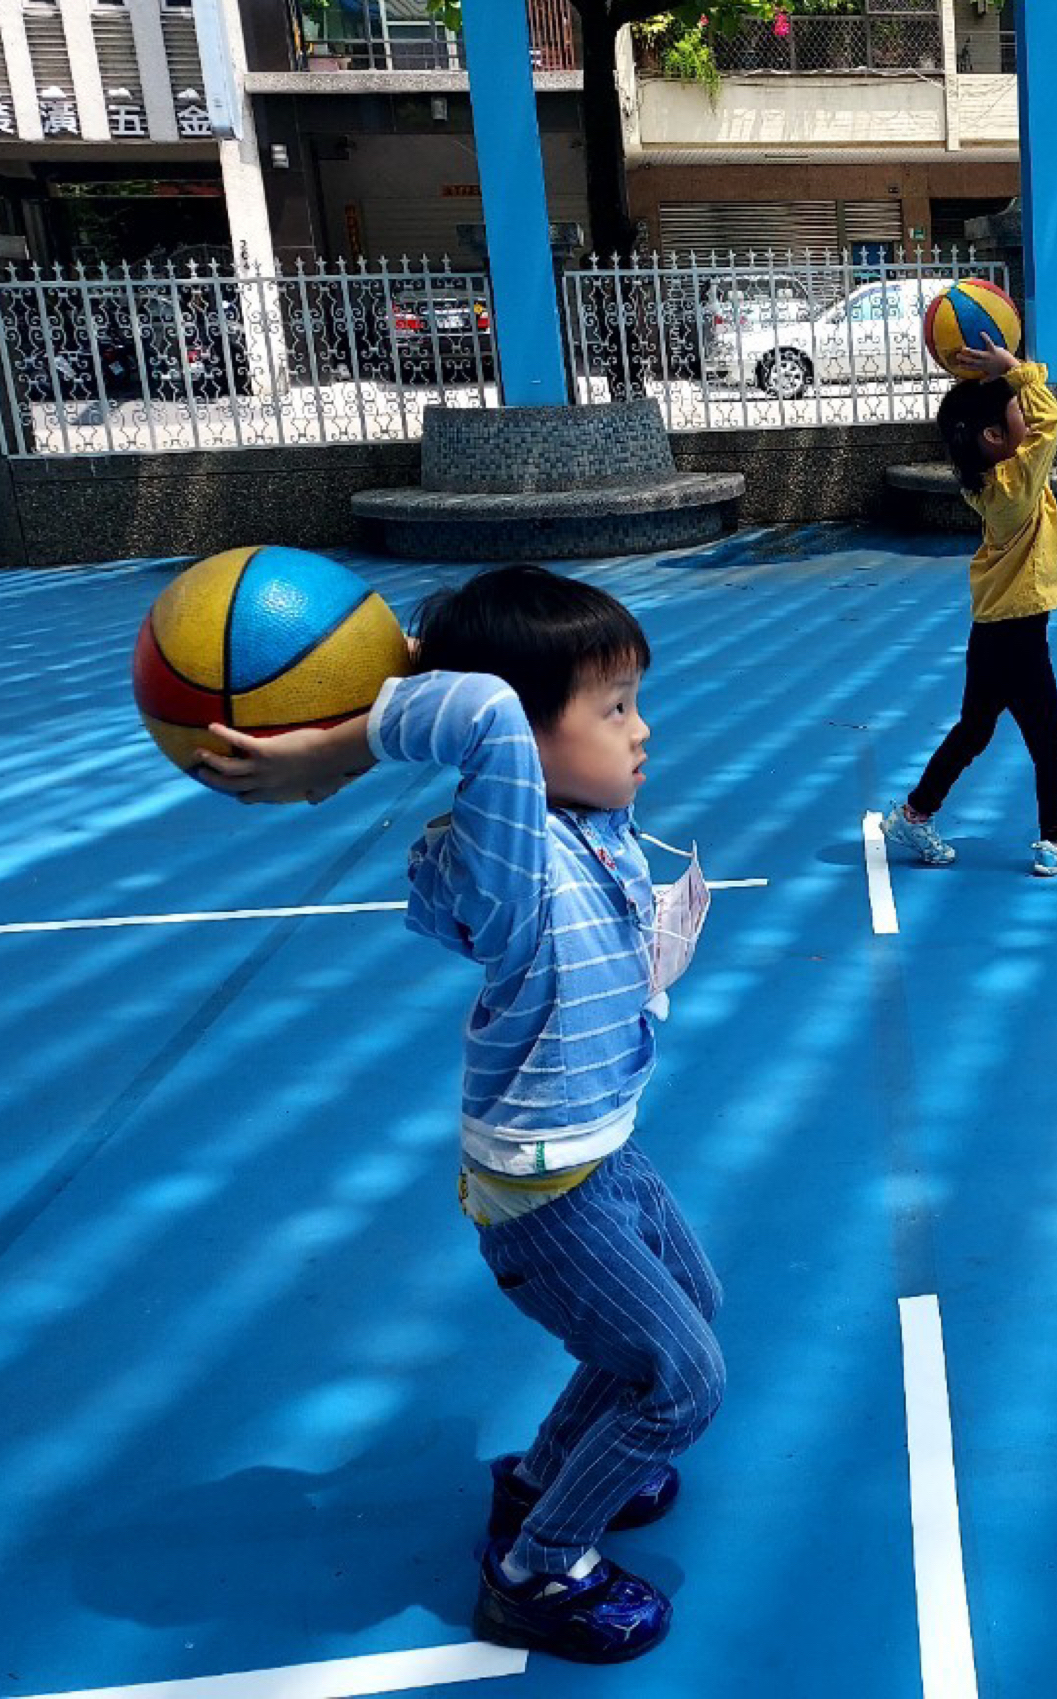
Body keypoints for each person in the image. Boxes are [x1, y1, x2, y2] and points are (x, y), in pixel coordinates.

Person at [195, 565, 720, 1667]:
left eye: (635, 699)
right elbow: (480, 708)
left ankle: (544, 1477)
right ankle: (538, 1571)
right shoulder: (511, 871)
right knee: (681, 1385)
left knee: (693, 1307)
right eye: (613, 707)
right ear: (525, 748)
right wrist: (339, 747)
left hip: (602, 1153)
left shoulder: (595, 825)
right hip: (546, 1194)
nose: (641, 729)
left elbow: (501, 715)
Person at [882, 341, 1057, 877]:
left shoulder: (987, 480)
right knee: (1051, 740)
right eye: (1015, 414)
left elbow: (1030, 427)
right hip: (1017, 632)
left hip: (993, 628)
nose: (1025, 415)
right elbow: (1051, 421)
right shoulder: (1015, 484)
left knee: (975, 729)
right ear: (993, 437)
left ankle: (914, 813)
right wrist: (1017, 371)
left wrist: (999, 385)